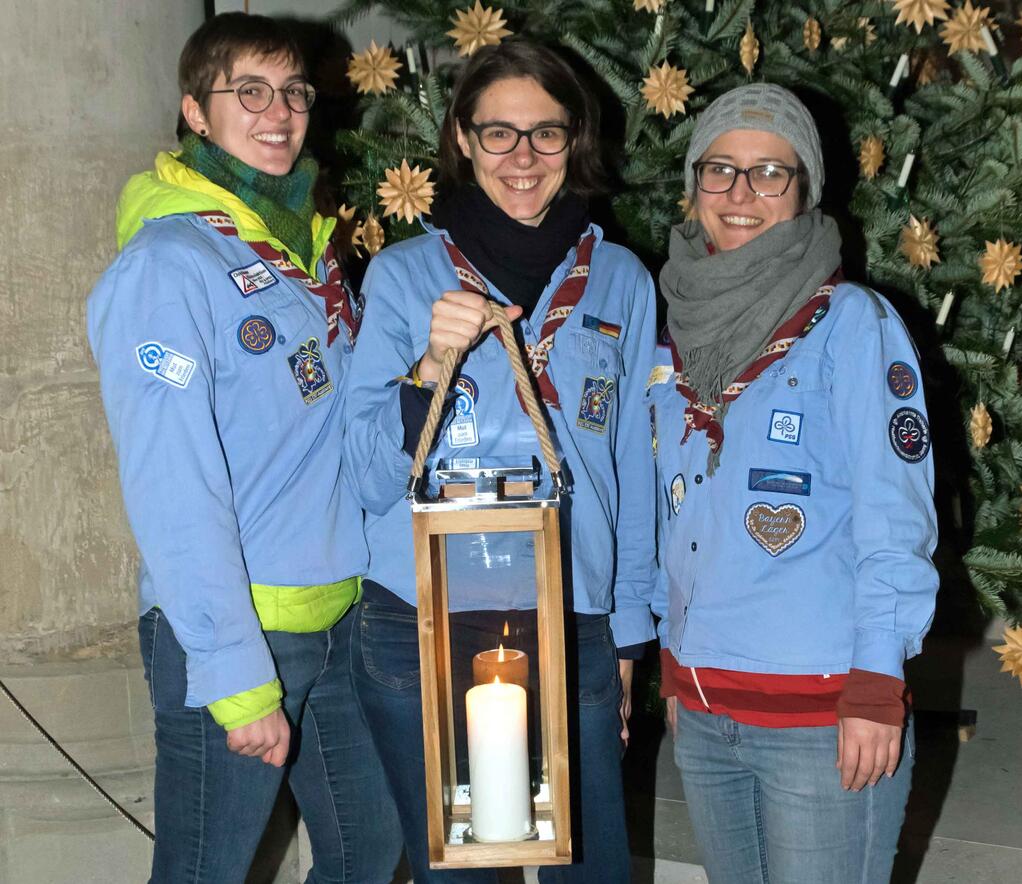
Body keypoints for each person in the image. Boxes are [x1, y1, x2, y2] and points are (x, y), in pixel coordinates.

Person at [87, 13, 400, 882]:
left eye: (294, 91)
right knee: (205, 872)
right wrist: (235, 676)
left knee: (369, 849)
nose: (279, 112)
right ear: (195, 111)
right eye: (248, 92)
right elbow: (170, 484)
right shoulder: (167, 265)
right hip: (238, 632)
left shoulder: (305, 251)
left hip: (336, 616)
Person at [344, 38, 657, 883]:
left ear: (575, 139)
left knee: (589, 869)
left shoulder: (621, 278)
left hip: (570, 613)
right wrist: (426, 371)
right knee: (466, 874)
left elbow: (633, 469)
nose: (523, 158)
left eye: (545, 134)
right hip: (424, 618)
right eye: (499, 134)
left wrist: (627, 636)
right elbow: (363, 475)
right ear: (462, 138)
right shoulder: (405, 277)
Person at [648, 83, 939, 884]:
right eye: (720, 170)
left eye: (770, 173)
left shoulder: (854, 324)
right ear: (694, 184)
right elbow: (669, 515)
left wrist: (879, 681)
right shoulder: (670, 332)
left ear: (805, 188)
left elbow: (896, 515)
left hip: (822, 714)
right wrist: (675, 663)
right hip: (705, 712)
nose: (741, 195)